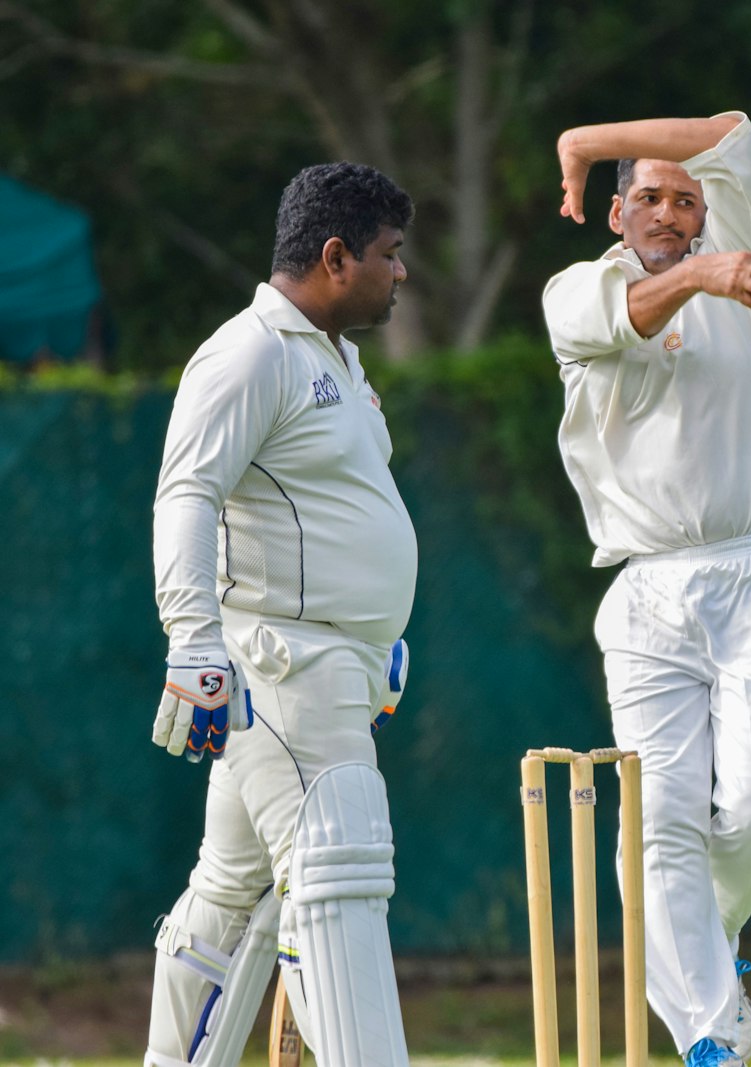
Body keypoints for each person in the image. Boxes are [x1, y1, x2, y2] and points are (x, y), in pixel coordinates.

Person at [542, 112, 751, 1067]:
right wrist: (703, 273)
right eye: (651, 197)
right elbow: (633, 315)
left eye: (687, 200)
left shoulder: (748, 261)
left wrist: (584, 135)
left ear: (711, 211)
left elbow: (729, 127)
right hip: (646, 589)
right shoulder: (573, 293)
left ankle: (707, 939)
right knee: (655, 821)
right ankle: (713, 1029)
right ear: (617, 211)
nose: (670, 211)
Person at [145, 162, 417, 1067]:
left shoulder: (331, 354)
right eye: (389, 254)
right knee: (340, 870)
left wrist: (379, 636)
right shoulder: (250, 352)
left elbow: (339, 511)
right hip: (283, 671)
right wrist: (193, 643)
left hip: (333, 669)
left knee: (233, 899)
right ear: (336, 256)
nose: (400, 272)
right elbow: (188, 493)